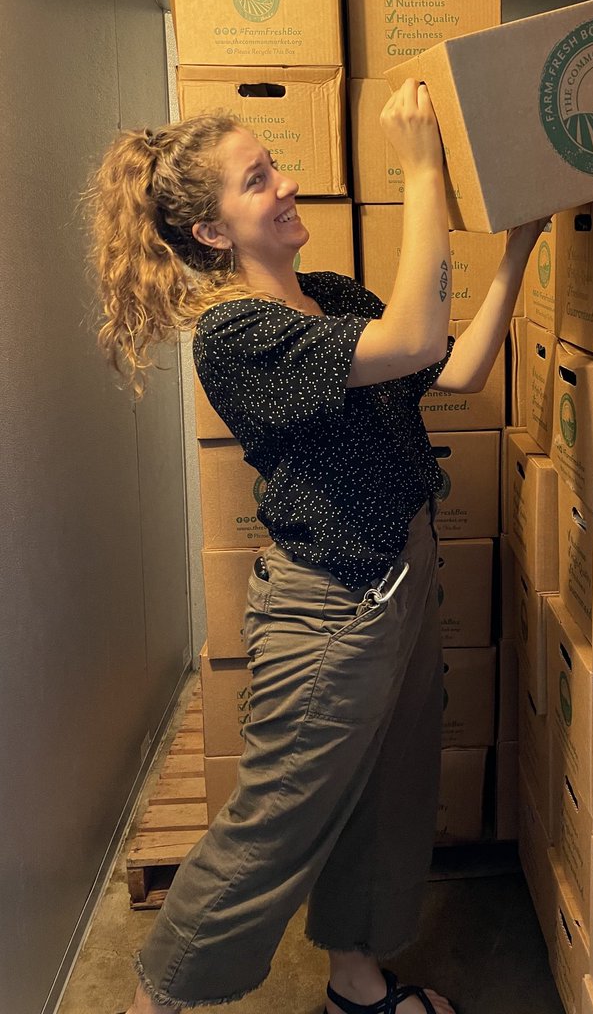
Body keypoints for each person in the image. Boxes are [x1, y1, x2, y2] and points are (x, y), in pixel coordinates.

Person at [87, 78, 546, 1014]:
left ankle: (356, 981)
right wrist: (422, 171)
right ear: (213, 233)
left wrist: (518, 254)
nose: (287, 183)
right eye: (259, 179)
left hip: (403, 580)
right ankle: (155, 1003)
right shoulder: (236, 334)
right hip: (331, 608)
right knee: (271, 828)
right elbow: (417, 331)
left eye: (274, 167)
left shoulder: (328, 295)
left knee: (391, 795)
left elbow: (448, 366)